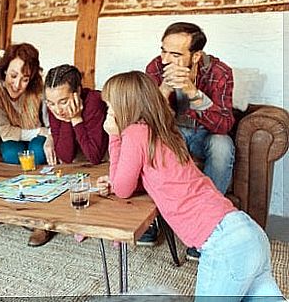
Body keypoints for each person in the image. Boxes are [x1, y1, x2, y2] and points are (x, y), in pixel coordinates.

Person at [96, 71, 282, 300]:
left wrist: (114, 137)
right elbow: (155, 178)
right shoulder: (165, 132)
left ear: (125, 107)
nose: (108, 112)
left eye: (109, 106)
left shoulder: (134, 133)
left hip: (223, 243)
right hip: (248, 233)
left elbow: (123, 189)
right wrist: (117, 181)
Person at [144, 22, 235, 258]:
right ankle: (149, 220)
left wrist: (192, 91)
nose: (165, 60)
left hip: (206, 134)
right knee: (150, 142)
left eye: (175, 54)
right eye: (164, 50)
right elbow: (149, 120)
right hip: (175, 133)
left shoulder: (219, 72)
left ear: (196, 56)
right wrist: (164, 90)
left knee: (223, 145)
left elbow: (223, 124)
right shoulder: (155, 67)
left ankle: (207, 226)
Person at [0, 42, 55, 247]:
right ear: (4, 70)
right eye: (13, 75)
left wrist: (50, 137)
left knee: (37, 153)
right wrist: (39, 131)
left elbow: (50, 123)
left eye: (25, 79)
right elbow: (4, 130)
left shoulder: (38, 88)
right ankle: (16, 207)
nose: (17, 84)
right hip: (13, 137)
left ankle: (39, 219)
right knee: (10, 154)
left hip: (37, 136)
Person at [44, 64, 108, 165]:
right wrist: (67, 120)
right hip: (78, 164)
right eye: (51, 103)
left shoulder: (94, 102)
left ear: (78, 91)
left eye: (63, 102)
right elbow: (66, 157)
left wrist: (76, 119)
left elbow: (95, 157)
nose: (57, 110)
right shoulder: (54, 108)